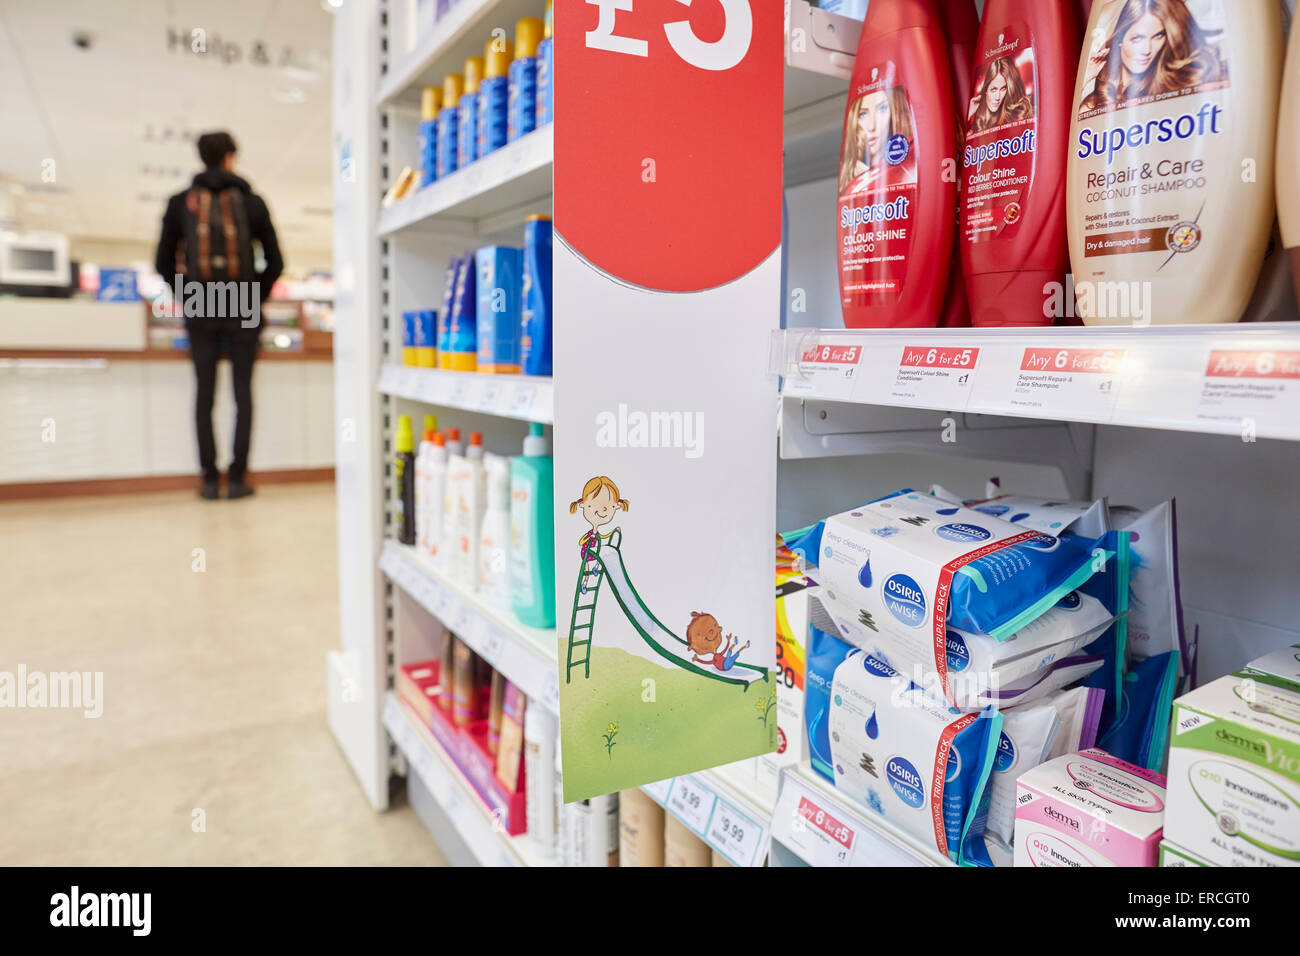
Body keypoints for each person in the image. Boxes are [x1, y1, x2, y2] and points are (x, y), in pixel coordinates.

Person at [154, 131, 283, 500]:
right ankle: (238, 478)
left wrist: (189, 293)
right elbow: (276, 261)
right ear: (230, 157)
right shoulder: (253, 202)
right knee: (243, 395)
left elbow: (163, 262)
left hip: (201, 301)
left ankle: (210, 481)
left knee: (205, 395)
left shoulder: (181, 202)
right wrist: (253, 295)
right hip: (241, 299)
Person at [1080, 0, 1226, 114]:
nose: (1146, 50)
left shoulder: (1169, 88)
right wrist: (1085, 76)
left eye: (1158, 36)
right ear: (1119, 40)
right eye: (1137, 38)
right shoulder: (1094, 102)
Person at [967, 55, 1034, 134]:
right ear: (986, 89)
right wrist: (970, 112)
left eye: (1003, 89)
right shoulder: (979, 119)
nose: (997, 97)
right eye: (994, 89)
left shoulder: (1020, 114)